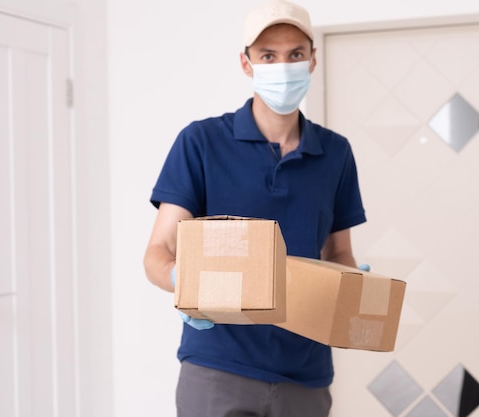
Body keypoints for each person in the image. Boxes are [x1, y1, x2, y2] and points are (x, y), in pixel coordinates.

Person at [143, 0, 367, 416]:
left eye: (295, 54)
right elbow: (157, 253)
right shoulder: (201, 143)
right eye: (268, 55)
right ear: (246, 64)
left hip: (306, 372)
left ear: (313, 60)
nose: (283, 67)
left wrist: (351, 285)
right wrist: (184, 282)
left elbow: (338, 253)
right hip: (218, 367)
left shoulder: (335, 153)